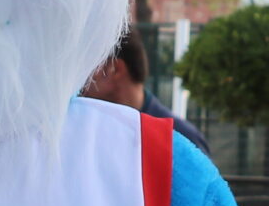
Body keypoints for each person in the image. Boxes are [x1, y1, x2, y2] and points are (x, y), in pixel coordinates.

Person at [83, 25, 211, 154]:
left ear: (115, 69)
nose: (78, 78)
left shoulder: (180, 141)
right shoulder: (88, 130)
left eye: (87, 66)